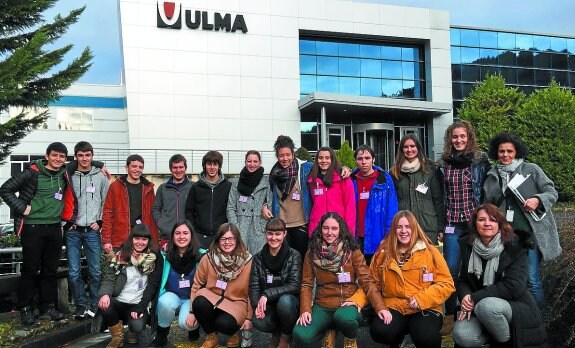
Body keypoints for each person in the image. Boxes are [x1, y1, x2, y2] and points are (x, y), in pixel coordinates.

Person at [0, 142, 77, 325]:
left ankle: (47, 307)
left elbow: (87, 160)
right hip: (32, 228)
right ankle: (25, 308)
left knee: (50, 271)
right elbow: (5, 189)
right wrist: (21, 207)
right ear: (47, 156)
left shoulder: (64, 173)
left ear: (65, 159)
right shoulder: (32, 172)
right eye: (55, 155)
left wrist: (102, 166)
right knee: (30, 269)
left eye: (61, 156)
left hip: (54, 227)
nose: (58, 159)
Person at [452, 204, 548, 347]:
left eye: (492, 220)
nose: (487, 224)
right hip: (477, 304)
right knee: (462, 335)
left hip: (514, 305)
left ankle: (505, 343)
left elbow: (514, 286)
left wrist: (474, 298)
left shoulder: (515, 245)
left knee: (486, 307)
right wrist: (465, 295)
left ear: (500, 224)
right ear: (474, 224)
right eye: (481, 220)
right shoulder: (468, 245)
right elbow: (463, 280)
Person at [482, 133, 561, 305]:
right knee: (508, 279)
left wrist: (538, 199)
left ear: (516, 152)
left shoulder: (531, 169)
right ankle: (517, 317)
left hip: (530, 235)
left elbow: (552, 192)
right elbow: (488, 205)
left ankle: (536, 321)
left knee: (532, 279)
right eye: (501, 151)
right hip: (505, 236)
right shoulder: (492, 174)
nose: (505, 155)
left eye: (509, 151)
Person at [292, 212, 384, 348]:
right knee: (300, 334)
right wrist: (305, 310)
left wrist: (380, 307)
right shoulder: (311, 253)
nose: (329, 232)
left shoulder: (352, 251)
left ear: (341, 230)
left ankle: (350, 338)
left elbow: (367, 281)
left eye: (334, 228)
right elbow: (306, 284)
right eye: (326, 228)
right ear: (320, 229)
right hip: (322, 305)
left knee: (345, 318)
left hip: (347, 303)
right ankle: (329, 329)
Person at [369, 210, 454, 348]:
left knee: (426, 337)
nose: (404, 231)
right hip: (394, 306)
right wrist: (380, 307)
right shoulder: (382, 253)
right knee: (380, 331)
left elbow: (447, 283)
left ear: (414, 229)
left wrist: (422, 299)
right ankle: (396, 341)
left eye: (408, 227)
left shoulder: (430, 251)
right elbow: (372, 283)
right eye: (399, 227)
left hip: (425, 307)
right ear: (394, 229)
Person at [437, 121, 490, 333]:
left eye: (462, 137)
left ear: (469, 138)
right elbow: (441, 196)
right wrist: (441, 224)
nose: (459, 140)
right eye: (455, 137)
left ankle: (475, 311)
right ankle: (450, 313)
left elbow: (487, 192)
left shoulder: (480, 163)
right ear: (450, 139)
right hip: (452, 225)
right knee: (450, 269)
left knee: (477, 269)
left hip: (474, 224)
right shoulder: (443, 164)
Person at [98, 224, 163, 348]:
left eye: (144, 239)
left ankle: (133, 331)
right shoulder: (121, 256)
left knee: (137, 325)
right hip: (119, 301)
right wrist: (105, 294)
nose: (140, 242)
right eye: (137, 238)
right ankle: (118, 337)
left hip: (138, 303)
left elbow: (152, 286)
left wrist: (141, 306)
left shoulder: (154, 258)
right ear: (131, 239)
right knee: (104, 303)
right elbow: (109, 279)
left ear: (149, 241)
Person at [189, 223, 253, 348]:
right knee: (199, 302)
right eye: (223, 239)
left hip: (236, 303)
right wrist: (191, 311)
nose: (227, 242)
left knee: (224, 324)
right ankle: (212, 336)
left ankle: (234, 333)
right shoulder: (208, 258)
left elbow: (252, 291)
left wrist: (249, 318)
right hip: (213, 298)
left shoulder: (248, 261)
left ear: (237, 240)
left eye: (231, 239)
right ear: (217, 240)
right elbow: (196, 285)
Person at [67, 141, 110, 319]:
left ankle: (93, 304)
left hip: (92, 230)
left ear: (92, 156)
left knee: (95, 271)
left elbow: (107, 202)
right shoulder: (68, 175)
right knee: (73, 271)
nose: (84, 159)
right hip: (73, 231)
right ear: (76, 156)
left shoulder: (100, 176)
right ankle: (80, 304)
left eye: (88, 155)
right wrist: (68, 221)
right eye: (81, 155)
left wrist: (100, 221)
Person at [249, 218, 302, 348]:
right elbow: (254, 286)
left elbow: (295, 285)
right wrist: (258, 306)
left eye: (278, 234)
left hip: (289, 303)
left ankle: (285, 337)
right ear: (265, 234)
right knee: (258, 320)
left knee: (285, 303)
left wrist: (267, 294)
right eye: (270, 233)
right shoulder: (258, 258)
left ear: (284, 234)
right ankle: (277, 334)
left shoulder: (294, 255)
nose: (274, 238)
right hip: (270, 305)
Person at [149, 220, 203, 347]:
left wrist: (194, 312)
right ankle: (162, 334)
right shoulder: (164, 255)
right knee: (164, 302)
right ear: (172, 236)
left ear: (191, 235)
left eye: (185, 233)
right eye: (177, 233)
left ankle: (194, 328)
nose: (181, 236)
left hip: (192, 298)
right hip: (171, 295)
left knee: (187, 324)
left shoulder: (201, 256)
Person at [263, 135, 313, 259]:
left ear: (293, 154)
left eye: (288, 155)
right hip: (281, 226)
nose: (285, 158)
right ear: (277, 156)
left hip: (301, 224)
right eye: (281, 155)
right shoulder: (274, 174)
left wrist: (344, 169)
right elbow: (267, 194)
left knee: (301, 260)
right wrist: (264, 205)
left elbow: (326, 169)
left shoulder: (305, 169)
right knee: (283, 261)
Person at [390, 135, 444, 244]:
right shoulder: (394, 172)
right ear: (401, 150)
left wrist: (441, 228)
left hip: (427, 226)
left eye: (412, 146)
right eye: (405, 147)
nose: (409, 150)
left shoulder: (430, 168)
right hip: (404, 229)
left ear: (418, 148)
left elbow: (438, 200)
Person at [350, 144, 398, 263]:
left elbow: (391, 209)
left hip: (378, 235)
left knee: (377, 273)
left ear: (373, 159)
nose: (364, 162)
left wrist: (388, 236)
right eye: (360, 159)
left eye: (367, 158)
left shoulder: (384, 179)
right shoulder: (350, 179)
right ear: (355, 161)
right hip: (356, 235)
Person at [102, 154, 158, 253]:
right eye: (134, 166)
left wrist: (154, 242)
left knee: (142, 268)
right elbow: (108, 214)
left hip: (142, 239)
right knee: (122, 268)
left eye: (140, 167)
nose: (137, 169)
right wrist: (106, 240)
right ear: (126, 167)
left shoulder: (148, 188)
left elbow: (152, 217)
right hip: (120, 239)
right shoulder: (115, 187)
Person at [227, 150, 272, 254]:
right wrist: (236, 227)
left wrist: (263, 226)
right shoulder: (236, 182)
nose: (252, 164)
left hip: (259, 229)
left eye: (255, 161)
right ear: (245, 162)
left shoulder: (267, 182)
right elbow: (230, 207)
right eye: (249, 161)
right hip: (240, 227)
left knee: (258, 262)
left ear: (260, 163)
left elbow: (270, 205)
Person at [185, 151, 232, 249]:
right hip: (200, 237)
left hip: (221, 236)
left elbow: (231, 209)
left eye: (215, 164)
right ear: (204, 166)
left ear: (219, 166)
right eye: (209, 164)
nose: (212, 167)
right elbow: (189, 211)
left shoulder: (228, 186)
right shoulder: (196, 187)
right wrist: (194, 231)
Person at [307, 146, 356, 236]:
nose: (324, 161)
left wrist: (349, 233)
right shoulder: (311, 180)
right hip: (317, 229)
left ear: (332, 159)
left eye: (327, 158)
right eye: (320, 158)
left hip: (338, 229)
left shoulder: (343, 178)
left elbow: (350, 207)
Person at [152, 154, 193, 249]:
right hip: (167, 236)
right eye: (175, 167)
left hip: (188, 236)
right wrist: (161, 224)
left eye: (181, 167)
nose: (178, 170)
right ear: (171, 169)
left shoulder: (193, 187)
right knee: (167, 263)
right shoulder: (162, 188)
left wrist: (192, 228)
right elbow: (156, 208)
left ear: (185, 168)